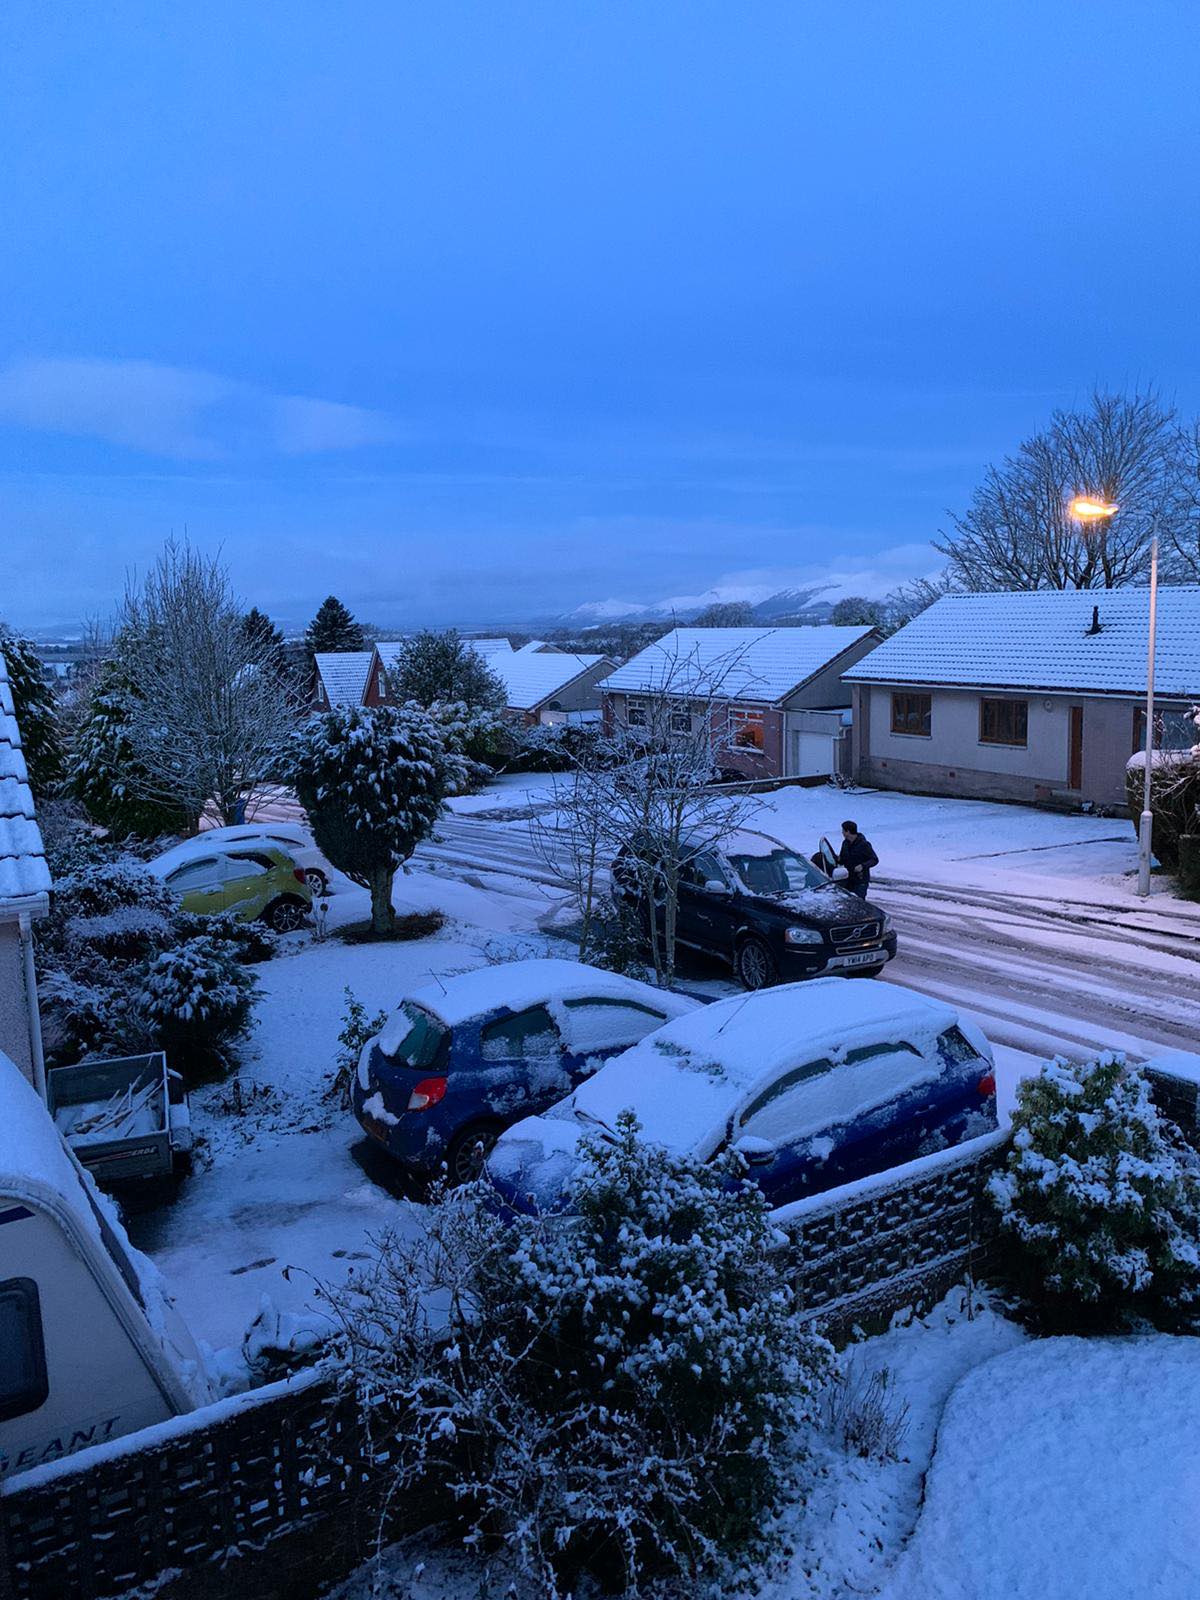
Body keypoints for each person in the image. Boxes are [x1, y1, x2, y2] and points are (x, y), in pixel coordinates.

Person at [837, 820, 878, 898]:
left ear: (848, 831)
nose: (842, 833)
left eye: (843, 831)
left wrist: (862, 866)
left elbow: (874, 859)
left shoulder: (864, 845)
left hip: (860, 881)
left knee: (859, 903)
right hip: (847, 879)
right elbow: (842, 858)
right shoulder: (845, 843)